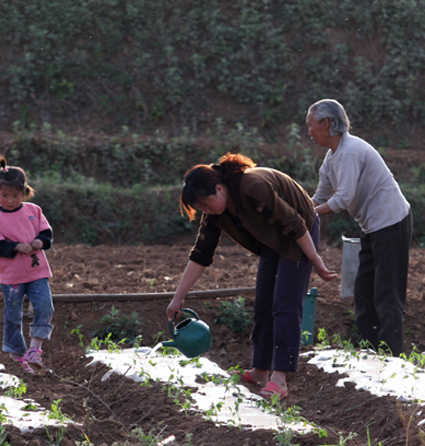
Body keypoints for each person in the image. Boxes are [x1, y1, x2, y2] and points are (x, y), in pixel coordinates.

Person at [166, 153, 337, 400]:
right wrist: (177, 299)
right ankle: (259, 371)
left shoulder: (252, 187)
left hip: (300, 231)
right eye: (201, 208)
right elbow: (201, 254)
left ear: (218, 188)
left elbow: (295, 224)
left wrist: (316, 261)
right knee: (263, 304)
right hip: (270, 239)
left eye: (205, 203)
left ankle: (280, 379)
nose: (206, 210)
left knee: (285, 305)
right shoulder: (216, 214)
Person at [306, 98, 412, 356]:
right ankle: (368, 351)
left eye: (310, 125)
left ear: (326, 123)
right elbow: (320, 196)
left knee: (387, 293)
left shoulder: (351, 151)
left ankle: (391, 358)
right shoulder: (332, 158)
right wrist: (301, 209)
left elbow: (343, 198)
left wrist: (308, 215)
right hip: (373, 228)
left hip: (392, 223)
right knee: (364, 291)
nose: (308, 132)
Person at [0, 154, 54, 374]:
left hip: (36, 271)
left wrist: (39, 241)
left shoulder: (34, 211)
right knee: (13, 314)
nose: (10, 200)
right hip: (11, 276)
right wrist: (15, 246)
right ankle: (17, 355)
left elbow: (46, 233)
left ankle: (35, 349)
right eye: (5, 195)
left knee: (45, 306)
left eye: (16, 195)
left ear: (24, 192)